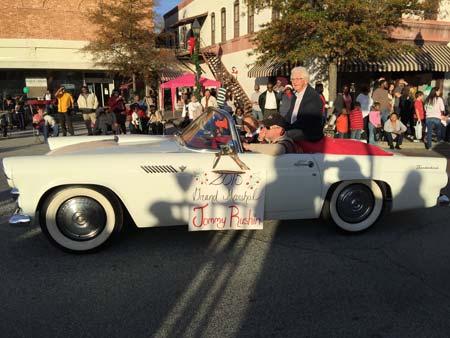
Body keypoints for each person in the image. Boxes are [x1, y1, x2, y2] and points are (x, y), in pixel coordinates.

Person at [284, 66, 324, 141]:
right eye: (292, 79)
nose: (294, 82)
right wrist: (276, 125)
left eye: (298, 79)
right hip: (295, 130)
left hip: (308, 135)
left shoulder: (312, 96)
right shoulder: (295, 96)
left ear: (306, 80)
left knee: (282, 136)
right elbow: (288, 117)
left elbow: (305, 121)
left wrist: (283, 130)